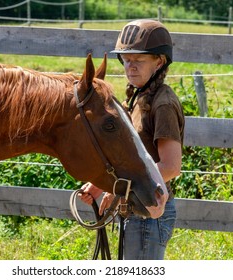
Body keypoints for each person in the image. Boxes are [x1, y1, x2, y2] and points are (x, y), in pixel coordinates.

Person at [79, 19, 185, 260]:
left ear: (159, 62)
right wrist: (99, 185)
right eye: (126, 60)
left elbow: (170, 166)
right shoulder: (136, 99)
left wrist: (118, 191)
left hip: (149, 210)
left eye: (139, 60)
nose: (130, 66)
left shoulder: (163, 104)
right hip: (135, 208)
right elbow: (131, 162)